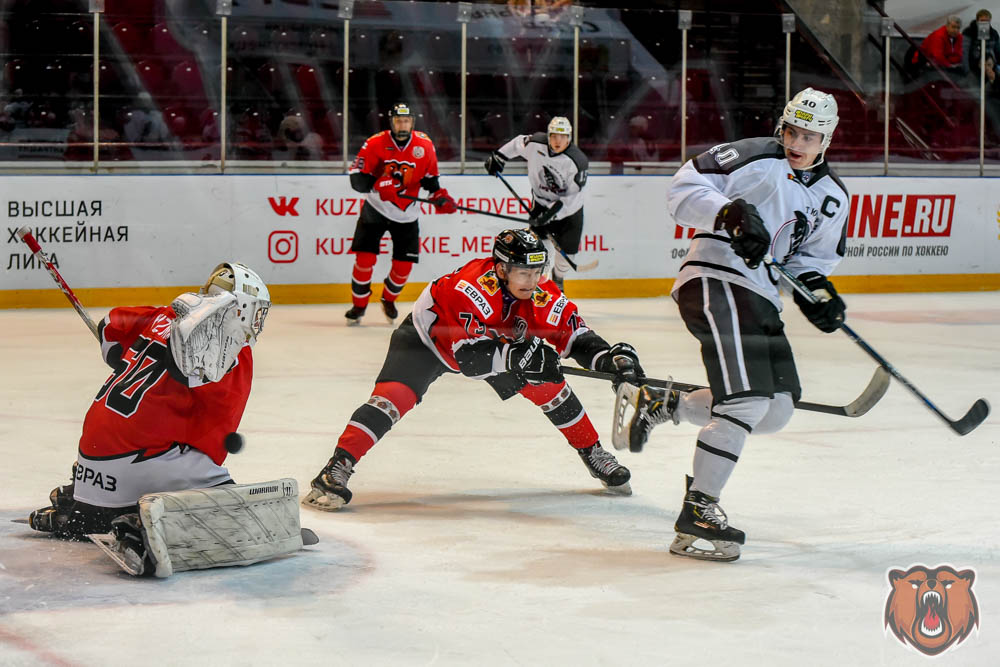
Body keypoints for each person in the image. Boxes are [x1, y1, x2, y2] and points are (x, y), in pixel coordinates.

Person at [629, 87, 849, 562]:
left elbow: (811, 262)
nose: (798, 141)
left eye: (810, 135)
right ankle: (699, 508)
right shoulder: (752, 155)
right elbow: (684, 187)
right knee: (746, 399)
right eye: (793, 130)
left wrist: (821, 296)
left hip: (763, 298)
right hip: (715, 277)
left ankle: (666, 402)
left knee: (776, 410)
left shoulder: (833, 196)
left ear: (826, 139)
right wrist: (727, 212)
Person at [303, 228, 645, 511]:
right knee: (392, 399)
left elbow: (576, 337)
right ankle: (337, 467)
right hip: (429, 340)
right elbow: (470, 360)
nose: (533, 280)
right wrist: (521, 358)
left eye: (538, 272)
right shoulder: (470, 289)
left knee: (551, 387)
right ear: (500, 269)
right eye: (524, 272)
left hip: (495, 346)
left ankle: (592, 452)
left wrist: (611, 360)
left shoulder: (541, 292)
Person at [28, 262, 271, 540]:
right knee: (223, 500)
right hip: (137, 467)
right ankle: (142, 523)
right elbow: (214, 439)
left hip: (90, 462)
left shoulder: (161, 315)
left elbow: (109, 329)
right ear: (239, 308)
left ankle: (88, 510)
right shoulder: (232, 351)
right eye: (256, 312)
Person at [345, 102, 458, 325]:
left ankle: (388, 299)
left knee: (403, 266)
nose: (402, 124)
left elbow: (430, 180)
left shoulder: (424, 145)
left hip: (408, 214)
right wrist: (378, 185)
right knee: (364, 259)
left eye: (406, 120)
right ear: (392, 122)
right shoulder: (375, 142)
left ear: (412, 122)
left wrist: (440, 197)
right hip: (375, 209)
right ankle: (358, 306)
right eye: (398, 120)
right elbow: (357, 179)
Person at [484, 116, 588, 291]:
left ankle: (558, 277)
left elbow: (572, 198)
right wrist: (499, 157)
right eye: (554, 135)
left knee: (567, 258)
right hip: (541, 202)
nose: (557, 140)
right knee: (539, 248)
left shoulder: (577, 162)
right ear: (548, 135)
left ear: (569, 138)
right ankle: (542, 283)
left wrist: (549, 214)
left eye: (562, 137)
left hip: (569, 211)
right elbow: (517, 143)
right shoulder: (536, 143)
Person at [963, 9, 1000, 76]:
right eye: (982, 21)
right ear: (977, 21)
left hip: (991, 66)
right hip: (974, 67)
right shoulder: (968, 32)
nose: (984, 23)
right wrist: (967, 71)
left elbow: (997, 51)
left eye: (987, 21)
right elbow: (964, 52)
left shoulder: (994, 33)